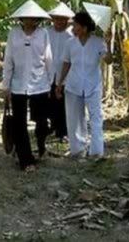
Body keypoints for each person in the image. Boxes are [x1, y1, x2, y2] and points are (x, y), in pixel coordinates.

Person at [2, 0, 53, 171]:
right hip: (18, 84)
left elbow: (48, 59)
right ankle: (26, 159)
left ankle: (41, 147)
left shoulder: (43, 33)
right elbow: (8, 60)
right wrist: (6, 85)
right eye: (26, 18)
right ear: (21, 19)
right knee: (19, 122)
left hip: (40, 83)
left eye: (33, 18)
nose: (29, 21)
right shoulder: (14, 33)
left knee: (41, 120)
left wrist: (52, 82)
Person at [55, 11, 112, 158]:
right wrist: (59, 83)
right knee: (74, 118)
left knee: (96, 117)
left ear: (85, 28)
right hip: (73, 85)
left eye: (75, 25)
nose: (73, 28)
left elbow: (108, 60)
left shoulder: (98, 42)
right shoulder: (70, 43)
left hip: (93, 85)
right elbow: (66, 63)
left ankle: (96, 151)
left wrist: (110, 44)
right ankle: (77, 149)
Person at [47, 2, 75, 141]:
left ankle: (63, 131)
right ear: (53, 19)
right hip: (49, 73)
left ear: (67, 20)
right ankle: (53, 127)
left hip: (66, 74)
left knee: (64, 103)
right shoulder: (46, 33)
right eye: (57, 18)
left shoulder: (71, 35)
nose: (59, 21)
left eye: (62, 19)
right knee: (51, 102)